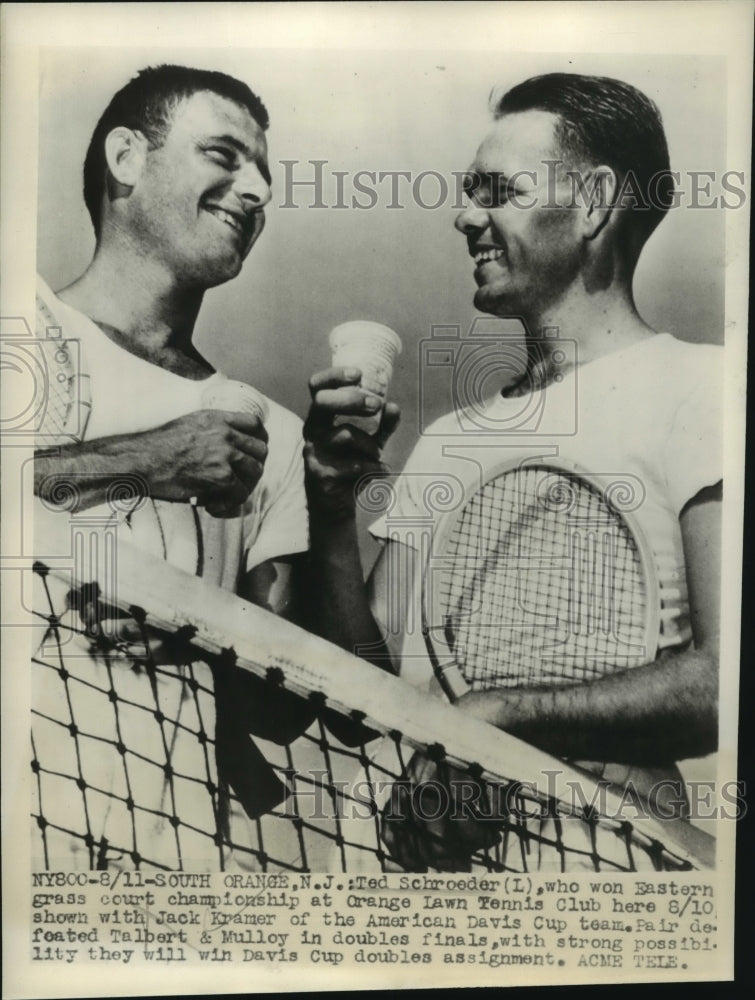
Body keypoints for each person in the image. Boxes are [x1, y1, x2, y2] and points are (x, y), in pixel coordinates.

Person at [303, 73, 722, 870]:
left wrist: (503, 720)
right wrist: (329, 504)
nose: (464, 217)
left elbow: (724, 686)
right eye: (468, 193)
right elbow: (366, 699)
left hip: (608, 881)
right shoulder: (451, 438)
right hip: (415, 880)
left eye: (496, 190)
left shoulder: (706, 388)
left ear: (595, 202)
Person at [32, 65, 312, 870]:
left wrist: (202, 631)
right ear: (126, 156)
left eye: (264, 171)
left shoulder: (271, 432)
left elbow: (282, 714)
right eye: (224, 155)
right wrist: (151, 457)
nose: (255, 189)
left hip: (177, 861)